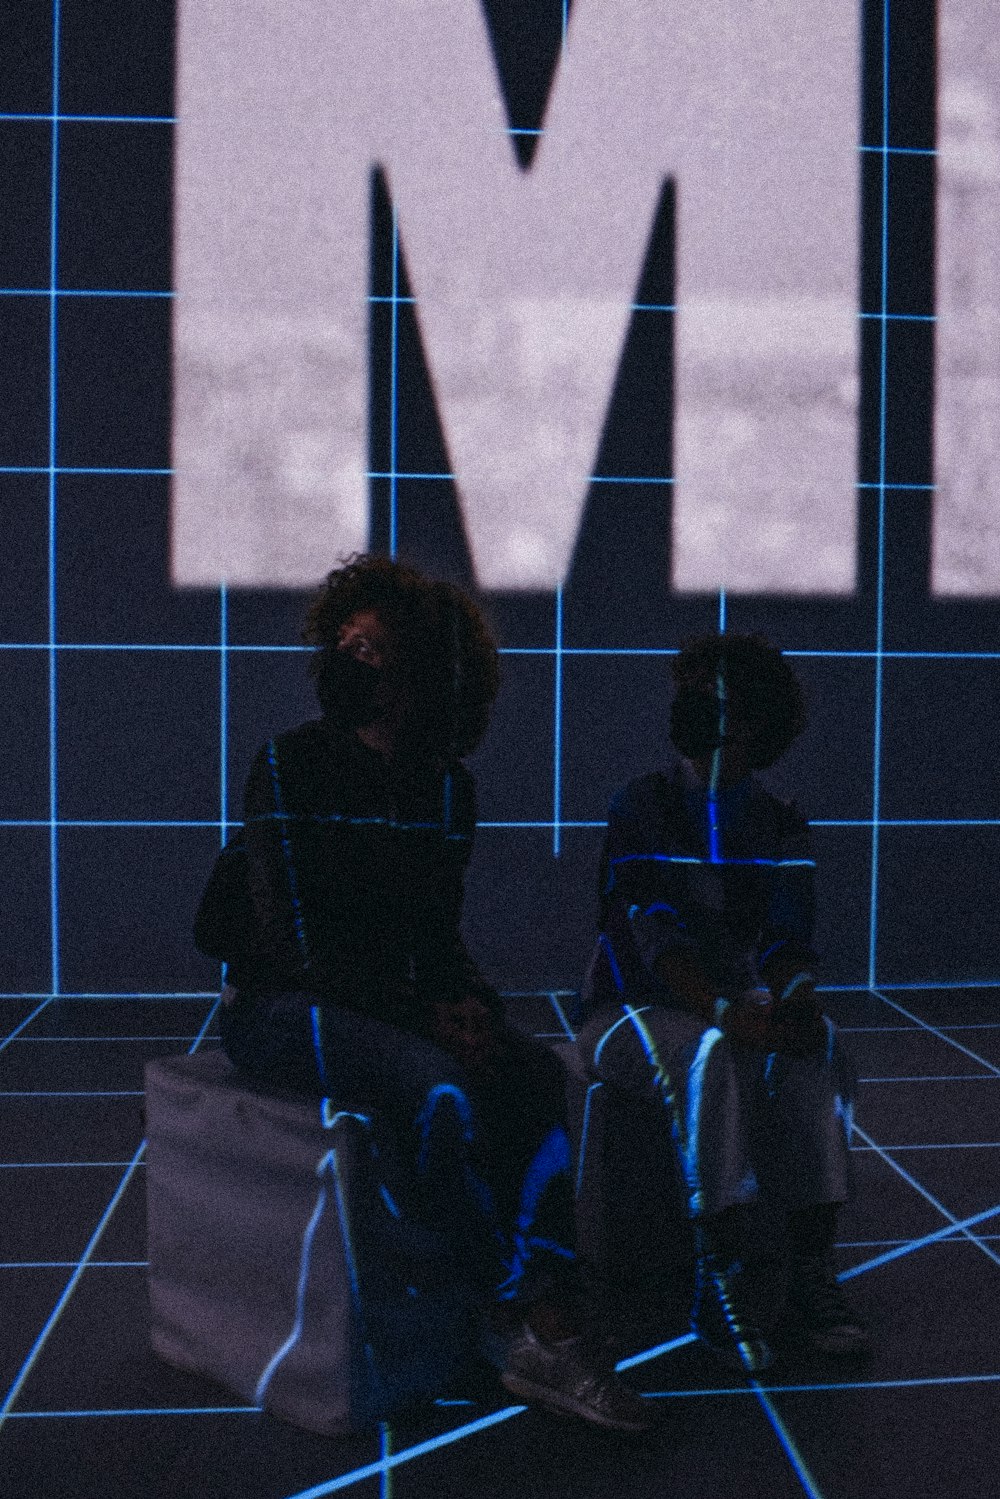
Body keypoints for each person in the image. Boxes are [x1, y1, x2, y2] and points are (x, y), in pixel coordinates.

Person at [194, 554, 648, 1432]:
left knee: (531, 1072)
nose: (345, 660)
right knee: (435, 1084)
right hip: (276, 1009)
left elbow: (434, 935)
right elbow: (293, 945)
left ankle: (548, 1316)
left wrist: (472, 1005)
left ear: (418, 671)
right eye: (342, 642)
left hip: (383, 1005)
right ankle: (494, 1308)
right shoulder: (287, 764)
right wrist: (425, 1017)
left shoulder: (447, 788)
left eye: (368, 648)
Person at [576, 631, 867, 1373]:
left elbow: (790, 937)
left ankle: (810, 1273)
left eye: (715, 698)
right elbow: (649, 929)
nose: (695, 709)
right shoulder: (641, 804)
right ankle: (719, 1276)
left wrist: (796, 1001)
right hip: (623, 1012)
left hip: (729, 1004)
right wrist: (725, 1010)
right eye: (691, 693)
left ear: (755, 723)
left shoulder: (779, 819)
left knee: (821, 1045)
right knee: (708, 1056)